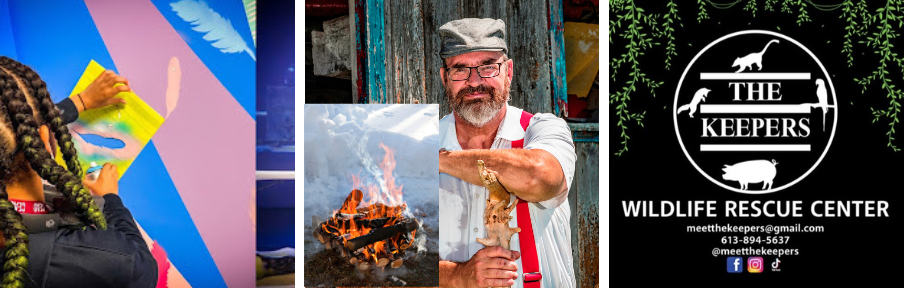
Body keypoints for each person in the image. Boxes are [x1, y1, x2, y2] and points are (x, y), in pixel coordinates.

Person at [436, 19, 577, 287]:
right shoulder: (422, 141)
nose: (474, 81)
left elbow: (540, 178)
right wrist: (458, 275)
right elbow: (394, 262)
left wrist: (443, 160)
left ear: (508, 71)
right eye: (460, 69)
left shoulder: (542, 129)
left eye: (488, 66)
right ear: (445, 78)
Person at [0, 56, 156, 287]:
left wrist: (79, 102)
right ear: (43, 141)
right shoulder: (90, 259)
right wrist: (109, 199)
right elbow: (141, 267)